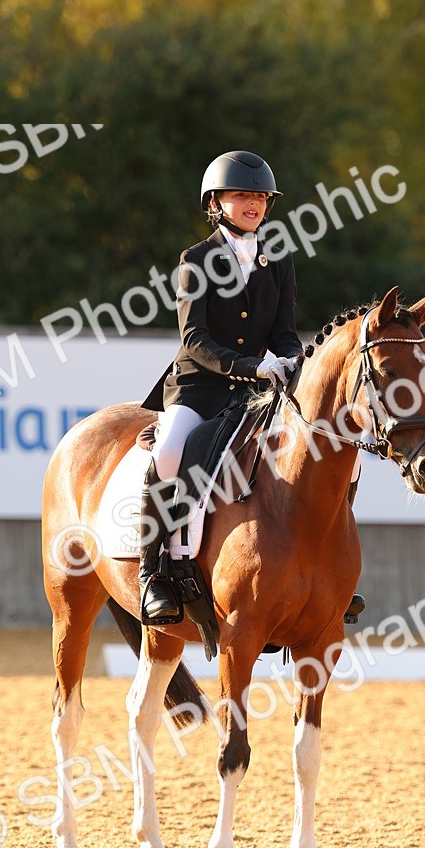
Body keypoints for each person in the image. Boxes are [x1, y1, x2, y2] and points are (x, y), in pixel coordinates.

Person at [137, 149, 303, 623]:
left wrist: (294, 361)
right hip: (200, 387)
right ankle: (155, 573)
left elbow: (284, 332)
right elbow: (194, 340)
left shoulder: (279, 259)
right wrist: (252, 368)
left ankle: (319, 570)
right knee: (169, 451)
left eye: (259, 196)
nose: (252, 204)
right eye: (240, 195)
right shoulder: (197, 260)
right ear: (216, 202)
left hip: (258, 392)